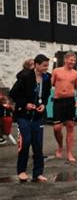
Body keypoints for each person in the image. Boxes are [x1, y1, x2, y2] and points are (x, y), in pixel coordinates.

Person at [9, 54, 52, 182]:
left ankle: (38, 173)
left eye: (47, 65)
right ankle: (21, 171)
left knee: (38, 145)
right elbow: (13, 93)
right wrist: (25, 104)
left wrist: (44, 104)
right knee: (25, 142)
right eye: (44, 65)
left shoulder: (47, 78)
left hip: (38, 116)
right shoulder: (25, 77)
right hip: (24, 116)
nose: (46, 68)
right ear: (36, 65)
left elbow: (47, 94)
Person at [51, 51, 77, 162]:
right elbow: (50, 84)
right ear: (65, 60)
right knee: (57, 128)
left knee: (70, 126)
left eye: (74, 61)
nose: (73, 62)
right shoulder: (56, 71)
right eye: (71, 60)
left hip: (70, 101)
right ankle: (60, 146)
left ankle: (69, 153)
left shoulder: (76, 74)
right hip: (58, 101)